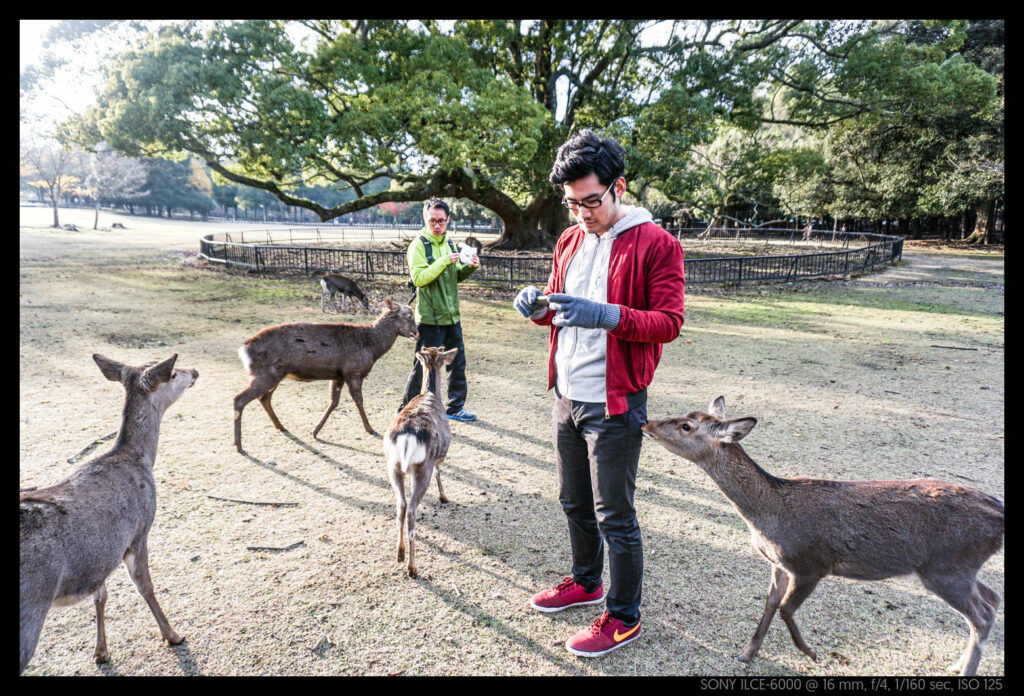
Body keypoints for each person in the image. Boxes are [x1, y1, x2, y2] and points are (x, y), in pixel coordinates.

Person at [514, 130, 685, 657]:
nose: (583, 213)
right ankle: (585, 580)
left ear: (619, 187)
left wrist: (606, 315)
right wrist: (538, 307)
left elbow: (668, 322)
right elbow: (560, 309)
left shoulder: (656, 243)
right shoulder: (568, 240)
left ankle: (624, 615)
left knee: (615, 513)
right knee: (573, 500)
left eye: (592, 201)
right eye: (572, 204)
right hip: (567, 394)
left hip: (615, 402)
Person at [399, 198, 480, 422]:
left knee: (458, 364)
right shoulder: (419, 245)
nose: (437, 225)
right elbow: (419, 278)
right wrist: (444, 261)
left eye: (441, 221)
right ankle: (406, 408)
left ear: (448, 220)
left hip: (451, 316)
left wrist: (470, 267)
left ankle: (455, 408)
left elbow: (455, 276)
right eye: (432, 220)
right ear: (425, 219)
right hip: (429, 318)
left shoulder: (450, 244)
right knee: (423, 367)